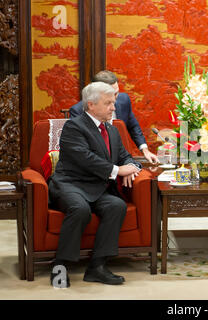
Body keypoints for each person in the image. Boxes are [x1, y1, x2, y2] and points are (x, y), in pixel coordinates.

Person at [49, 82, 142, 287]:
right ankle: (60, 266)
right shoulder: (74, 126)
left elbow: (126, 157)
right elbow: (85, 158)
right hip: (70, 184)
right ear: (91, 105)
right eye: (108, 103)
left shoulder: (112, 130)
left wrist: (131, 167)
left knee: (116, 206)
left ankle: (97, 267)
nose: (113, 108)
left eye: (113, 103)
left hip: (97, 187)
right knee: (80, 209)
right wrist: (118, 170)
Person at [69, 70, 159, 164]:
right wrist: (117, 170)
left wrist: (143, 151)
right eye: (111, 95)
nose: (114, 106)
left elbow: (133, 126)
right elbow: (82, 154)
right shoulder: (77, 113)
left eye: (117, 93)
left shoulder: (123, 101)